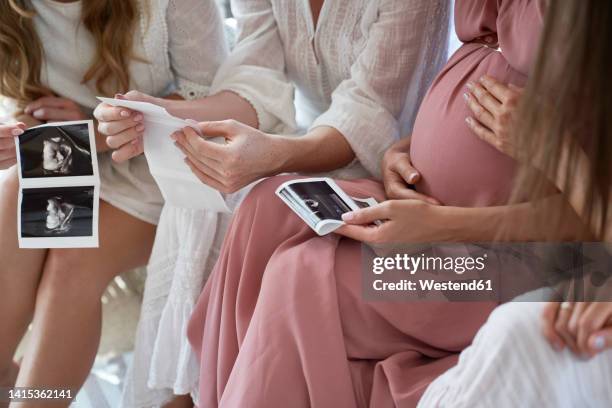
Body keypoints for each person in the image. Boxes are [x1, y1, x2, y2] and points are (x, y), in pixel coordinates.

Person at [185, 0, 588, 406]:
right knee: (267, 207)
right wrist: (405, 149)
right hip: (426, 203)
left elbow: (595, 214)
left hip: (499, 258)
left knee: (303, 277)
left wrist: (443, 222)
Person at [94, 1, 451, 406]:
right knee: (201, 199)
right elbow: (254, 73)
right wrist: (171, 116)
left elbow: (370, 110)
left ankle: (220, 388)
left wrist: (277, 155)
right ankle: (188, 390)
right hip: (297, 143)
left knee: (260, 203)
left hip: (392, 169)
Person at [0, 0, 226, 406]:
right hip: (68, 148)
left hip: (166, 156)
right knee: (16, 189)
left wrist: (95, 131)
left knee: (72, 263)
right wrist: (17, 126)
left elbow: (208, 90)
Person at [419, 1, 612, 405]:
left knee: (325, 277)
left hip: (513, 263)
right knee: (287, 234)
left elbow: (585, 215)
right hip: (443, 233)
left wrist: (439, 222)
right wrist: (404, 147)